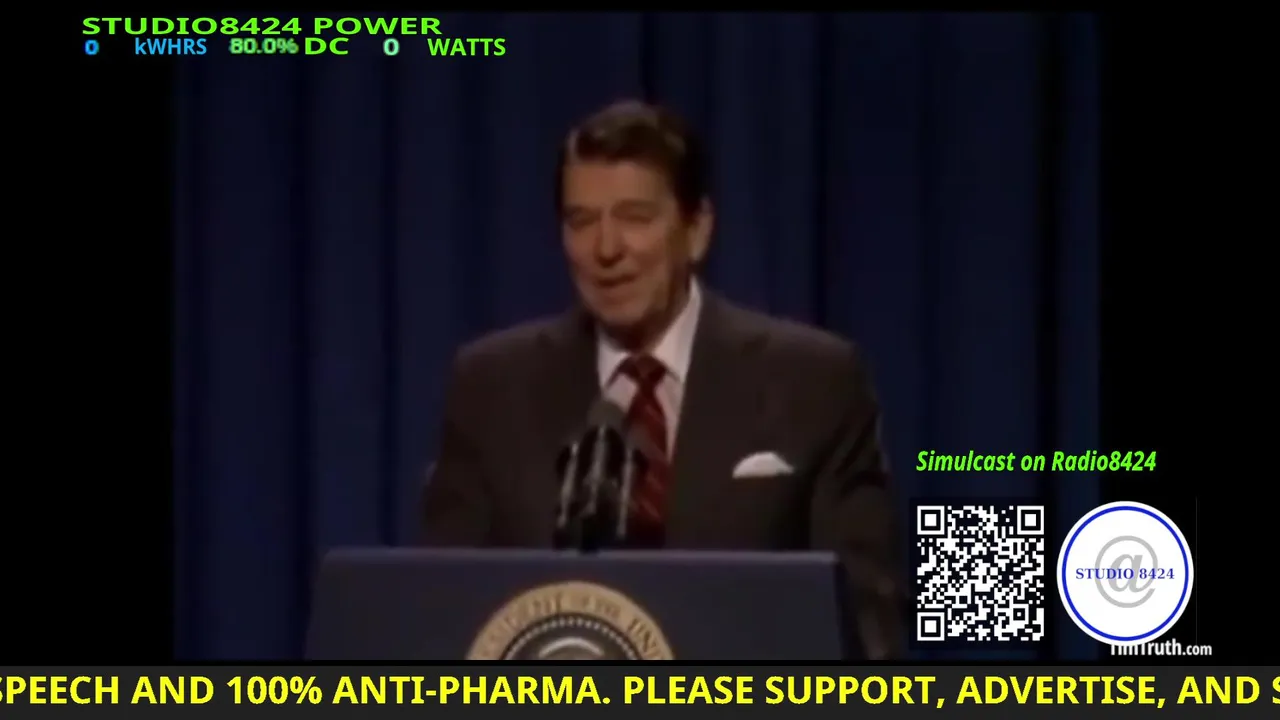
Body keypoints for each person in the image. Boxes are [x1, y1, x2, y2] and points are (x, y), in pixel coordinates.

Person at [421, 100, 904, 659]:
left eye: (635, 217)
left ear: (696, 230)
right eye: (582, 221)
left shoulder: (814, 381)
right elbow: (442, 611)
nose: (606, 249)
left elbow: (870, 621)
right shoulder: (490, 386)